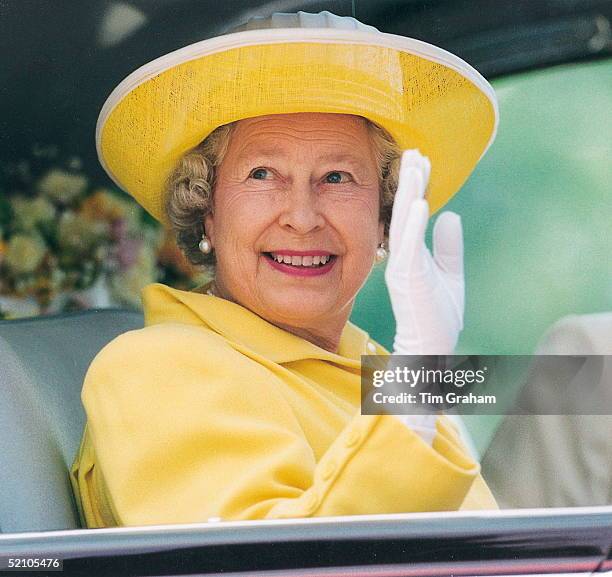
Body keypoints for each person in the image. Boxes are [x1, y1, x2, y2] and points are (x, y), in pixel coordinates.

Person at [70, 11, 499, 527]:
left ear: (384, 215)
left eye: (337, 176)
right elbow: (277, 560)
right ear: (207, 205)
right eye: (262, 174)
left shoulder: (377, 368)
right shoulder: (156, 365)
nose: (301, 217)